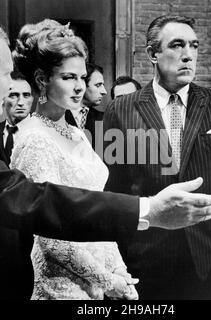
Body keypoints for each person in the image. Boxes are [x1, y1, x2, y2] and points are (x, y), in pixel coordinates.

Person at [0, 17, 211, 300]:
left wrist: (116, 271)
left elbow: (87, 201)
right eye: (5, 76)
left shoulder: (75, 131)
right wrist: (147, 212)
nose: (11, 89)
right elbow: (35, 205)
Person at [103, 15, 211, 299]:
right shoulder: (120, 109)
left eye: (193, 46)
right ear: (152, 54)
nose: (188, 55)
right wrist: (112, 260)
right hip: (145, 256)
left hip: (209, 256)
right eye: (177, 45)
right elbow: (114, 189)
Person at [12, 19, 138, 300]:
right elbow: (50, 238)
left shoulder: (76, 132)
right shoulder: (33, 137)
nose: (80, 86)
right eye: (68, 77)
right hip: (59, 288)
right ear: (42, 80)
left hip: (95, 285)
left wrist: (120, 273)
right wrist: (109, 281)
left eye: (82, 77)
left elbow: (98, 210)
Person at [0, 70, 33, 165]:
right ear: (3, 98)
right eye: (13, 95)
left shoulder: (43, 129)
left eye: (26, 95)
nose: (21, 102)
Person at [65, 63, 106, 149]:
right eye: (98, 85)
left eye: (103, 85)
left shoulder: (103, 119)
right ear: (82, 85)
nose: (104, 91)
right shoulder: (58, 115)